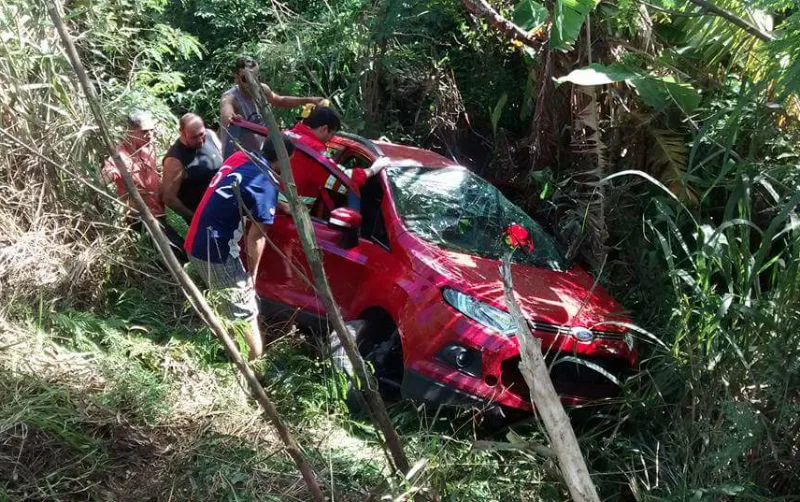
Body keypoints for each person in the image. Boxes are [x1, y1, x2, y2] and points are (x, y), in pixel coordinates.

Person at [184, 136, 296, 360]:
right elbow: (255, 238)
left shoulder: (240, 157)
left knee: (225, 305)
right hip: (215, 253)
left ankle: (226, 344)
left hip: (195, 238)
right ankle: (248, 367)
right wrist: (251, 279)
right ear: (283, 161)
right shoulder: (266, 184)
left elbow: (244, 191)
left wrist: (277, 204)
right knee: (245, 317)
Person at [101, 110, 186, 260]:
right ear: (130, 131)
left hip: (159, 211)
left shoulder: (149, 146)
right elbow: (103, 180)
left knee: (175, 250)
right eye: (145, 131)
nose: (150, 135)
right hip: (140, 217)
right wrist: (108, 171)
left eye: (152, 130)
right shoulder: (120, 156)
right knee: (178, 251)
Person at [283, 106, 388, 212]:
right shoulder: (314, 150)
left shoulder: (286, 134)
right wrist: (374, 169)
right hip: (291, 215)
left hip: (274, 206)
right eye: (331, 134)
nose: (330, 140)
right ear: (324, 129)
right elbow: (344, 178)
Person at [219, 55, 325, 157]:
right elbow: (227, 112)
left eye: (256, 77)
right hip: (241, 158)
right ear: (236, 76)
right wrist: (231, 118)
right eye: (246, 78)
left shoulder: (262, 90)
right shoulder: (231, 97)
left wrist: (309, 100)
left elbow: (280, 100)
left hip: (263, 155)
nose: (252, 82)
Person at [162, 113, 224, 224]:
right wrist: (195, 218)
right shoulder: (175, 160)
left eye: (201, 134)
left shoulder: (210, 135)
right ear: (182, 133)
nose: (200, 140)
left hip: (225, 204)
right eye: (194, 137)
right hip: (204, 217)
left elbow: (224, 160)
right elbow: (169, 198)